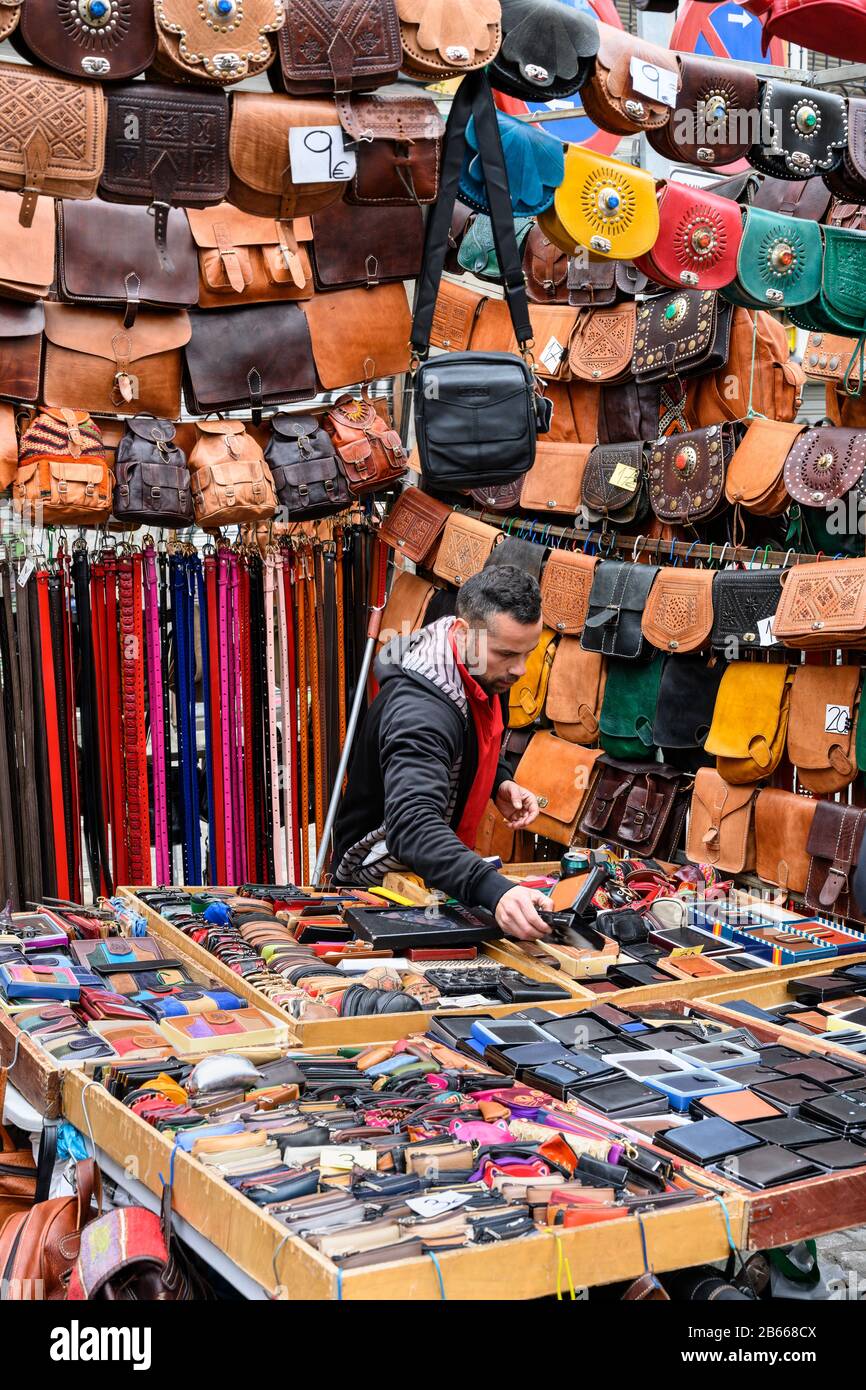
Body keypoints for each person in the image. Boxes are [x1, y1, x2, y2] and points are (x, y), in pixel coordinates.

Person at [331, 565, 553, 940]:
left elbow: (467, 735)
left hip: (433, 873)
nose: (520, 669)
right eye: (508, 654)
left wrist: (497, 780)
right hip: (377, 886)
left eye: (529, 652)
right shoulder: (421, 711)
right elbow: (413, 826)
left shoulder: (480, 662)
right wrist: (493, 889)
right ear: (464, 633)